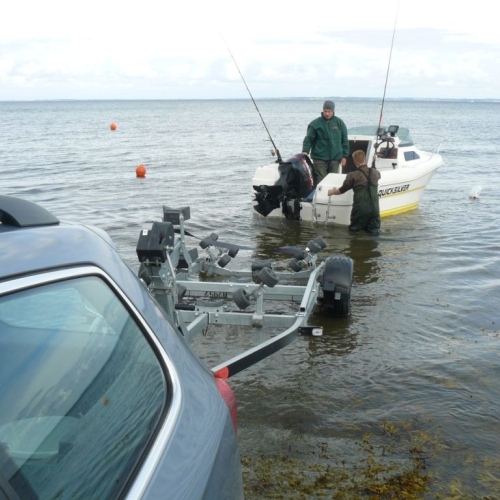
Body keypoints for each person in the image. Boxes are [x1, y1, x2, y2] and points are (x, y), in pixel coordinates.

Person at [328, 150, 381, 235]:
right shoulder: (375, 172)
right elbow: (378, 176)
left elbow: (342, 190)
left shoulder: (352, 175)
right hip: (375, 209)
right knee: (374, 234)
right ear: (365, 159)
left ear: (355, 162)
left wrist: (332, 192)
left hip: (360, 209)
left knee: (354, 233)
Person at [302, 100, 349, 186]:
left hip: (335, 157)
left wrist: (344, 156)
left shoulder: (339, 123)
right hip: (319, 157)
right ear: (323, 111)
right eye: (325, 111)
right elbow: (308, 138)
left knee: (333, 181)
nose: (327, 114)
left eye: (329, 111)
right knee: (321, 181)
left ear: (333, 111)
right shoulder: (315, 124)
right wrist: (305, 151)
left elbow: (344, 139)